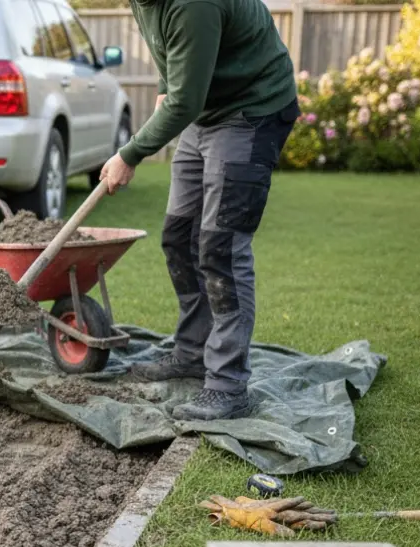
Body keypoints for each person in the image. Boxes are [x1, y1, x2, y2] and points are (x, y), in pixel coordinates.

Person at [98, 0, 300, 421]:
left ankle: (228, 386)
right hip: (203, 113)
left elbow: (187, 99)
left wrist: (130, 154)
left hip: (250, 110)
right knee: (180, 237)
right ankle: (192, 353)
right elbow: (169, 52)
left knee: (221, 248)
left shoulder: (193, 3)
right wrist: (163, 91)